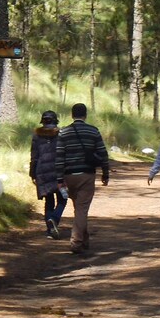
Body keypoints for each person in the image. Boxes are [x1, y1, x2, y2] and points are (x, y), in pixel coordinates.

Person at [55, 103, 110, 253]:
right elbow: (103, 153)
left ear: (72, 115)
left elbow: (59, 157)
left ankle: (84, 240)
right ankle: (76, 242)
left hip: (68, 176)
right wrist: (105, 173)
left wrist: (59, 179)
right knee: (81, 209)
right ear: (85, 115)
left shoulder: (63, 133)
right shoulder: (93, 131)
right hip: (86, 175)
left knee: (79, 208)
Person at [30, 110, 66, 239]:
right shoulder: (62, 134)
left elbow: (34, 157)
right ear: (55, 121)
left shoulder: (36, 136)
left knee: (49, 200)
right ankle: (54, 219)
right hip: (59, 172)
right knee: (63, 198)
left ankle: (49, 229)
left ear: (43, 121)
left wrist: (32, 174)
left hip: (42, 172)